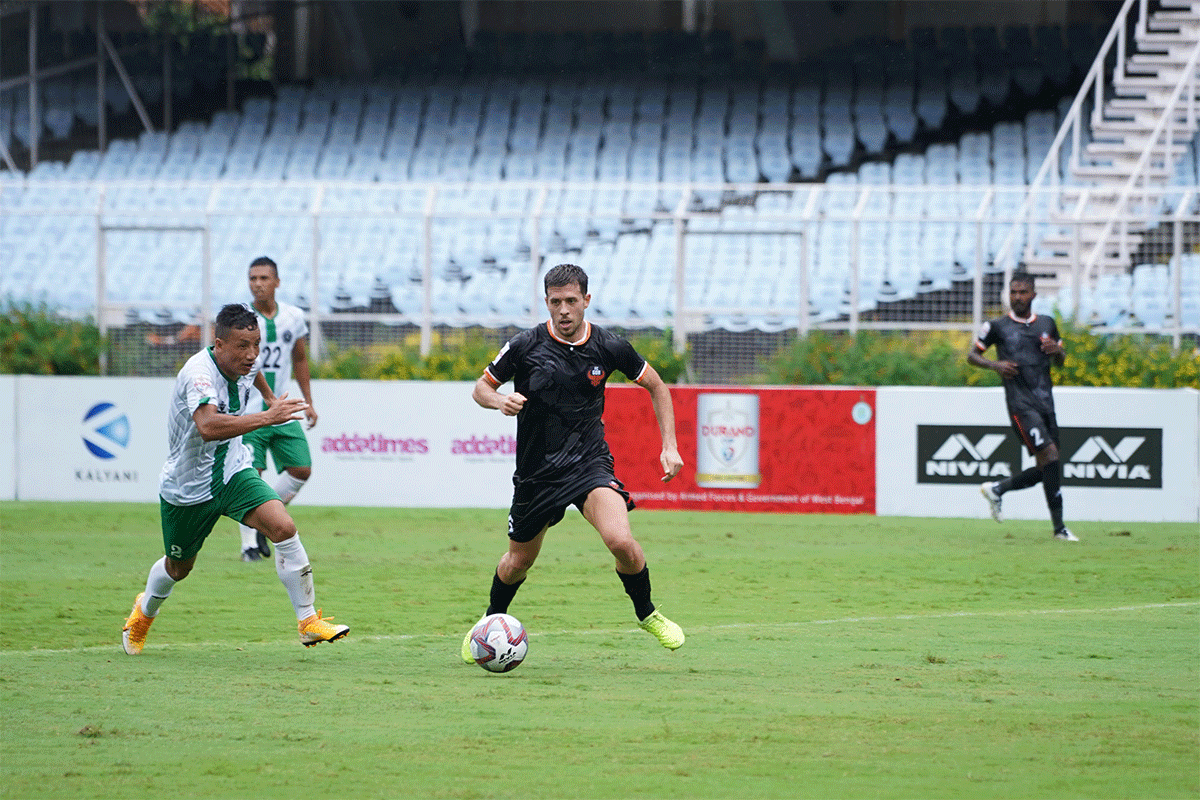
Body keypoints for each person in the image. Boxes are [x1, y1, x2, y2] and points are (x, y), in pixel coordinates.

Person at [460, 263, 687, 663]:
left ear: (586, 300)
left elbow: (657, 385)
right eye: (554, 302)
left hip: (589, 464)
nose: (563, 310)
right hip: (536, 473)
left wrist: (669, 445)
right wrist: (499, 400)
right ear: (545, 302)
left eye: (570, 301)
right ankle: (489, 625)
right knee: (517, 562)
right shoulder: (525, 345)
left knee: (621, 541)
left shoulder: (609, 346)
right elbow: (481, 387)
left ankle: (647, 613)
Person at [122, 303, 349, 655]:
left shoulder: (246, 361)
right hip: (188, 487)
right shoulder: (198, 374)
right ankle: (144, 612)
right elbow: (209, 427)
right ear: (219, 344)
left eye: (256, 344)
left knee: (284, 529)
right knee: (178, 567)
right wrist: (267, 416)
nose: (252, 354)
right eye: (243, 346)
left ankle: (308, 622)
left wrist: (271, 397)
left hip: (233, 472)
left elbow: (254, 371)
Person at [968, 272, 1077, 541]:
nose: (1017, 297)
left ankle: (998, 489)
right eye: (1013, 292)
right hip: (1020, 406)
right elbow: (972, 355)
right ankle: (1059, 529)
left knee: (1047, 467)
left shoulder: (1048, 324)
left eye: (1023, 292)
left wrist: (1057, 351)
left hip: (1046, 404)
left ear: (1033, 295)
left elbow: (1061, 360)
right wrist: (995, 365)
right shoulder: (997, 327)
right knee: (1051, 456)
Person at [237, 256, 319, 562]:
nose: (257, 284)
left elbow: (300, 359)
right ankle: (248, 546)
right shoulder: (241, 319)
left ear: (277, 282)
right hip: (249, 413)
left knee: (301, 468)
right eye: (252, 278)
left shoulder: (293, 317)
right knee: (250, 474)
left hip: (282, 409)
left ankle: (263, 522)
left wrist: (308, 401)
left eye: (263, 278)